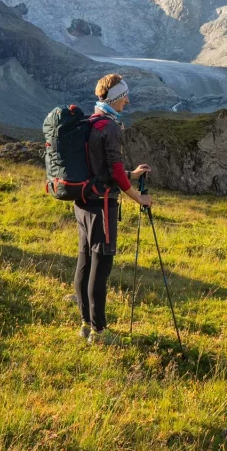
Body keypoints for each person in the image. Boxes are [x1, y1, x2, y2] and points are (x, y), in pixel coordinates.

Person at [74, 73, 153, 345]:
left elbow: (105, 169)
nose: (127, 101)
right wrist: (137, 197)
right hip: (102, 207)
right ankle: (100, 332)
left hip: (84, 202)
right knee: (101, 267)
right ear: (115, 98)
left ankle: (85, 325)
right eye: (124, 97)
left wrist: (132, 173)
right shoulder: (109, 127)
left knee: (84, 261)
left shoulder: (90, 122)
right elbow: (115, 171)